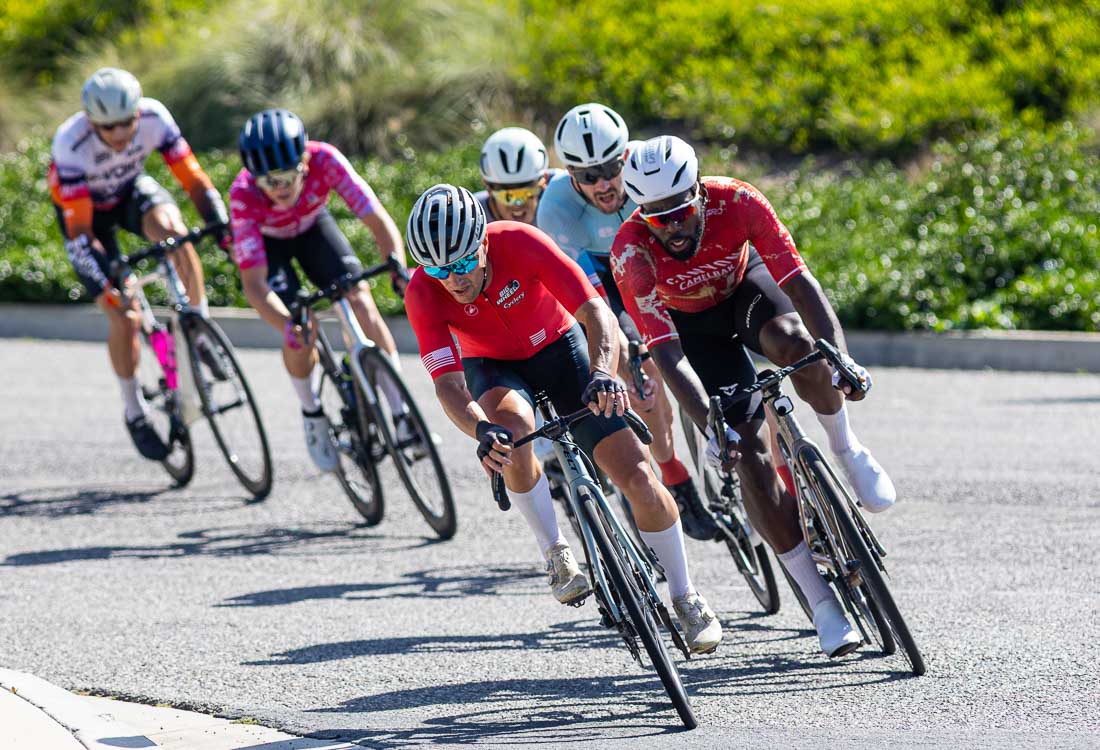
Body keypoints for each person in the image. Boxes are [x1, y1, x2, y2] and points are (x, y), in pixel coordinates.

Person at [403, 184, 723, 654]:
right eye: (437, 269)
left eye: (462, 262)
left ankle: (686, 595)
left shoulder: (521, 242)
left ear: (483, 243)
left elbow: (595, 312)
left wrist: (603, 373)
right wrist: (480, 429)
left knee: (637, 475)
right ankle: (554, 549)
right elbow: (448, 384)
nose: (452, 278)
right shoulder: (422, 292)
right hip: (493, 367)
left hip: (560, 347)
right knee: (509, 437)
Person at [612, 135, 898, 658]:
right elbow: (669, 356)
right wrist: (711, 424)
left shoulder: (737, 200)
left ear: (699, 193)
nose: (672, 228)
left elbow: (801, 283)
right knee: (750, 457)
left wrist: (841, 358)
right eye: (657, 219)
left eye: (680, 212)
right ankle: (821, 603)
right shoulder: (631, 251)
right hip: (693, 333)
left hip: (748, 294)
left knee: (798, 344)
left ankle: (846, 448)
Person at [536, 103, 717, 541]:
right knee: (641, 377)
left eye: (610, 169)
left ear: (626, 157)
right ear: (570, 174)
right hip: (603, 279)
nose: (603, 184)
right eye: (588, 176)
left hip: (652, 259)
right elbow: (596, 302)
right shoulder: (555, 209)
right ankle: (676, 476)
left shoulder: (650, 171)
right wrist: (631, 350)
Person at [48, 67, 229, 461]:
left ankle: (199, 331)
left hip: (129, 191)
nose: (119, 133)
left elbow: (193, 180)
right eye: (107, 127)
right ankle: (134, 410)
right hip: (86, 218)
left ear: (137, 112)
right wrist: (111, 276)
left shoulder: (154, 117)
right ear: (91, 121)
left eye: (126, 123)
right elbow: (82, 231)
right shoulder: (70, 142)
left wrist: (220, 225)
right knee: (124, 314)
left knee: (176, 235)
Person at [229, 109, 411, 471]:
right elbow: (255, 285)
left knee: (360, 300)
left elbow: (377, 220)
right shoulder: (243, 195)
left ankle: (402, 414)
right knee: (301, 330)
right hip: (270, 246)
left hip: (314, 229)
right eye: (268, 181)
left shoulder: (325, 159)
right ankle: (312, 413)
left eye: (286, 176)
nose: (279, 189)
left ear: (304, 161)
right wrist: (287, 324)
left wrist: (399, 270)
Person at [474, 127, 562, 225]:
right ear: (488, 188)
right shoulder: (471, 217)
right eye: (507, 196)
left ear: (544, 181)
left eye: (527, 193)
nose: (518, 204)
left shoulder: (564, 195)